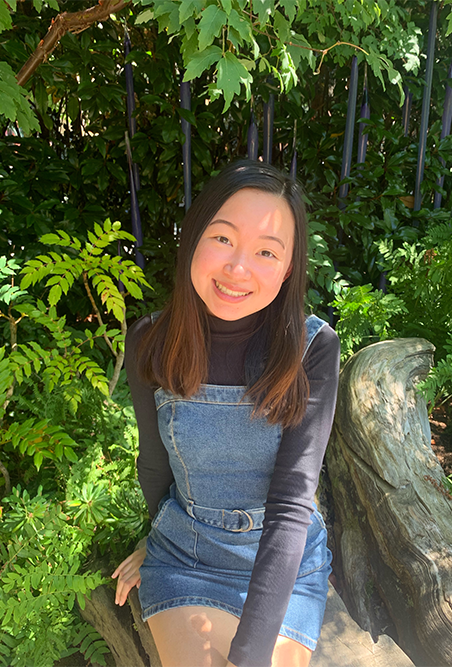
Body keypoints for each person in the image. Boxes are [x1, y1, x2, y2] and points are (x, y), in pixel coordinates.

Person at [112, 160, 340, 667]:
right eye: (222, 238)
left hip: (284, 563)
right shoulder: (151, 341)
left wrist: (250, 655)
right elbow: (154, 464)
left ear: (288, 268)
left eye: (266, 251)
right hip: (186, 555)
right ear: (193, 237)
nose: (238, 268)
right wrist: (158, 536)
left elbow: (291, 503)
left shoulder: (312, 349)